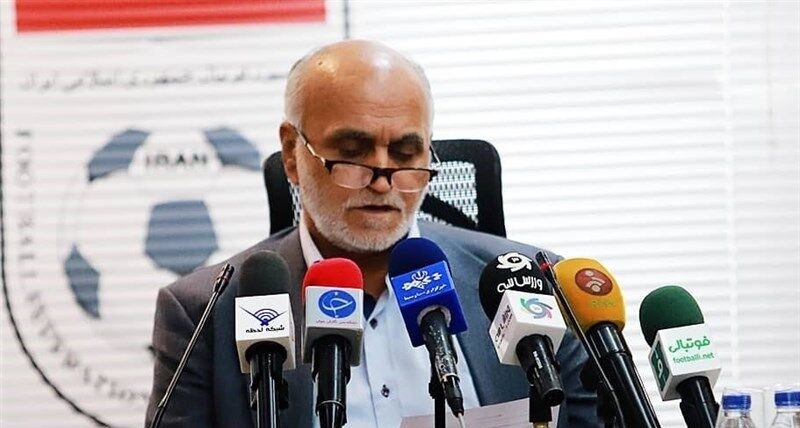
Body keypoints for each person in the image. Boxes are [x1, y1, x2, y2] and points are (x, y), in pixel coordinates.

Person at [145, 40, 599, 428]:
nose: (382, 180)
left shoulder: (535, 287)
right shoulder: (203, 313)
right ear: (291, 153)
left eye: (405, 152)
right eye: (352, 151)